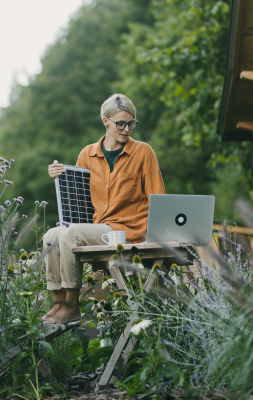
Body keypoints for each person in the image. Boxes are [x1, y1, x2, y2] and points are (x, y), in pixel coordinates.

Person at [42, 94, 165, 325]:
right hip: (99, 227)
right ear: (105, 121)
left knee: (70, 234)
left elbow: (158, 198)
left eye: (131, 123)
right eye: (121, 123)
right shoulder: (87, 154)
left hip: (128, 231)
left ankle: (72, 305)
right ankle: (58, 304)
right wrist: (60, 176)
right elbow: (78, 202)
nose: (127, 129)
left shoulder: (143, 152)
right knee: (51, 235)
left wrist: (158, 239)